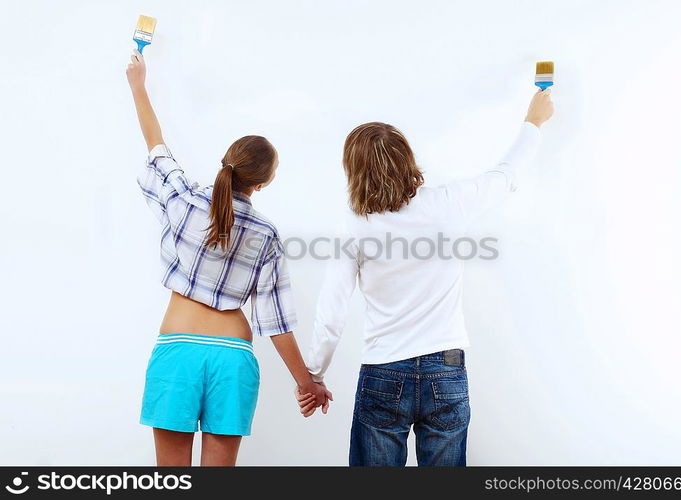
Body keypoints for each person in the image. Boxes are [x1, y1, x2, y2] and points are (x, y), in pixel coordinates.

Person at [297, 89, 554, 466]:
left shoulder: (352, 227)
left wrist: (315, 375)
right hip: (445, 372)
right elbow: (506, 173)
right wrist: (534, 121)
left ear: (353, 169)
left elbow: (331, 313)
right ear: (407, 160)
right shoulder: (448, 204)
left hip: (384, 373)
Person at [126, 49, 331, 466]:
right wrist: (306, 383)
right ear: (264, 182)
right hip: (232, 358)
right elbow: (277, 324)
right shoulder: (266, 235)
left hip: (178, 351)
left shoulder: (183, 200)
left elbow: (156, 144)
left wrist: (138, 84)